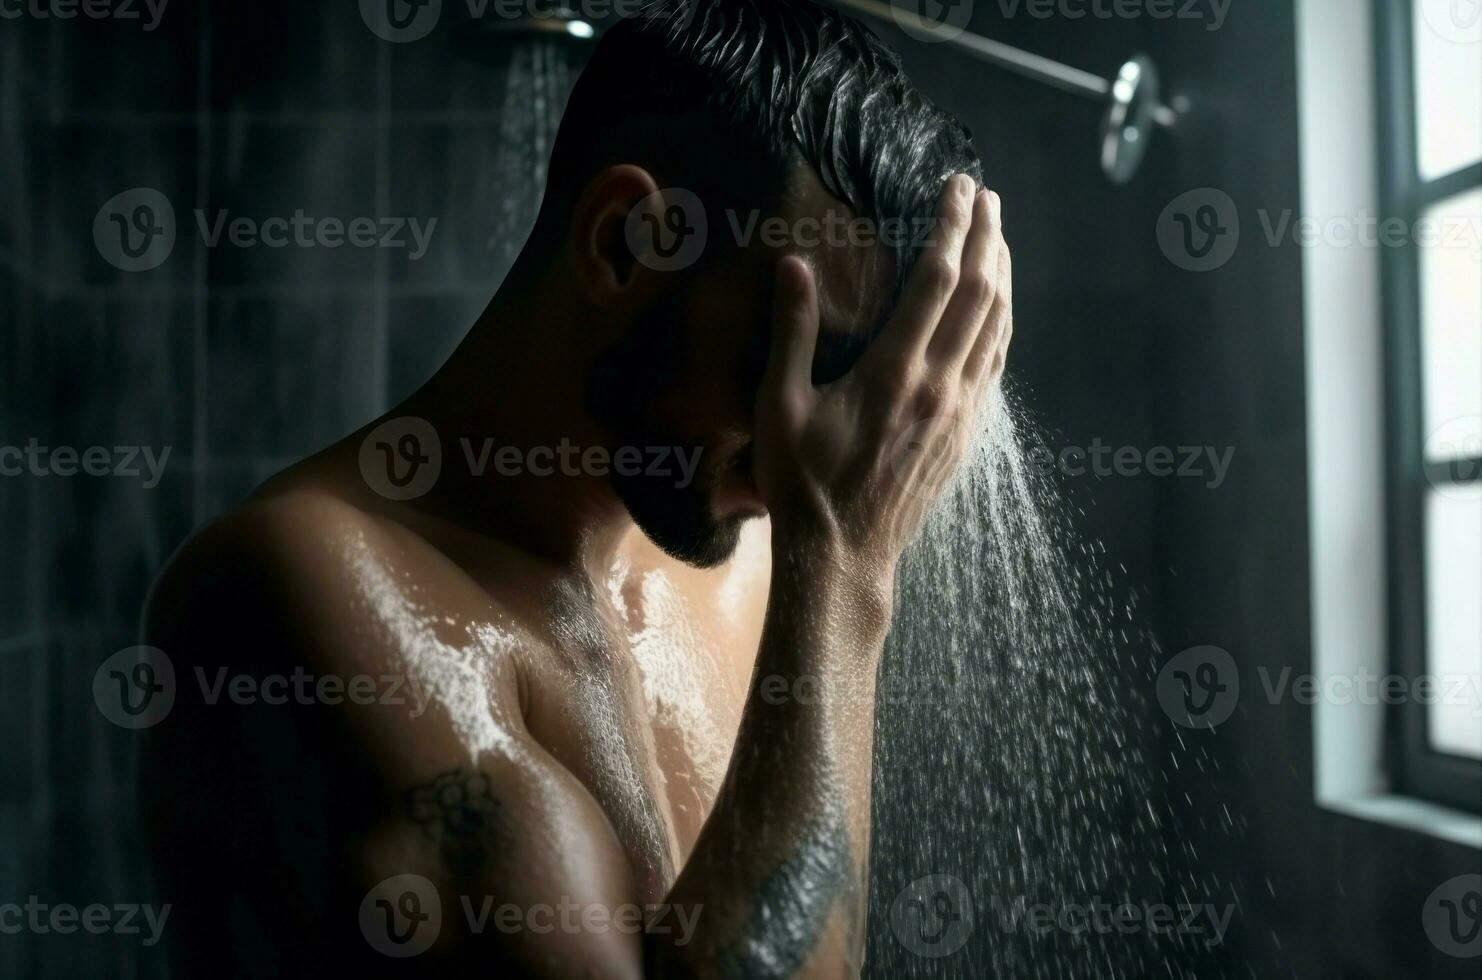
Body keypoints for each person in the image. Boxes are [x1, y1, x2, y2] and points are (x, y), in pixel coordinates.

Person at [138, 1, 1011, 975]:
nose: (800, 447)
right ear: (626, 243)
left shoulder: (757, 557)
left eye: (835, 385)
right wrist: (847, 572)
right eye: (787, 355)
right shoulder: (294, 582)